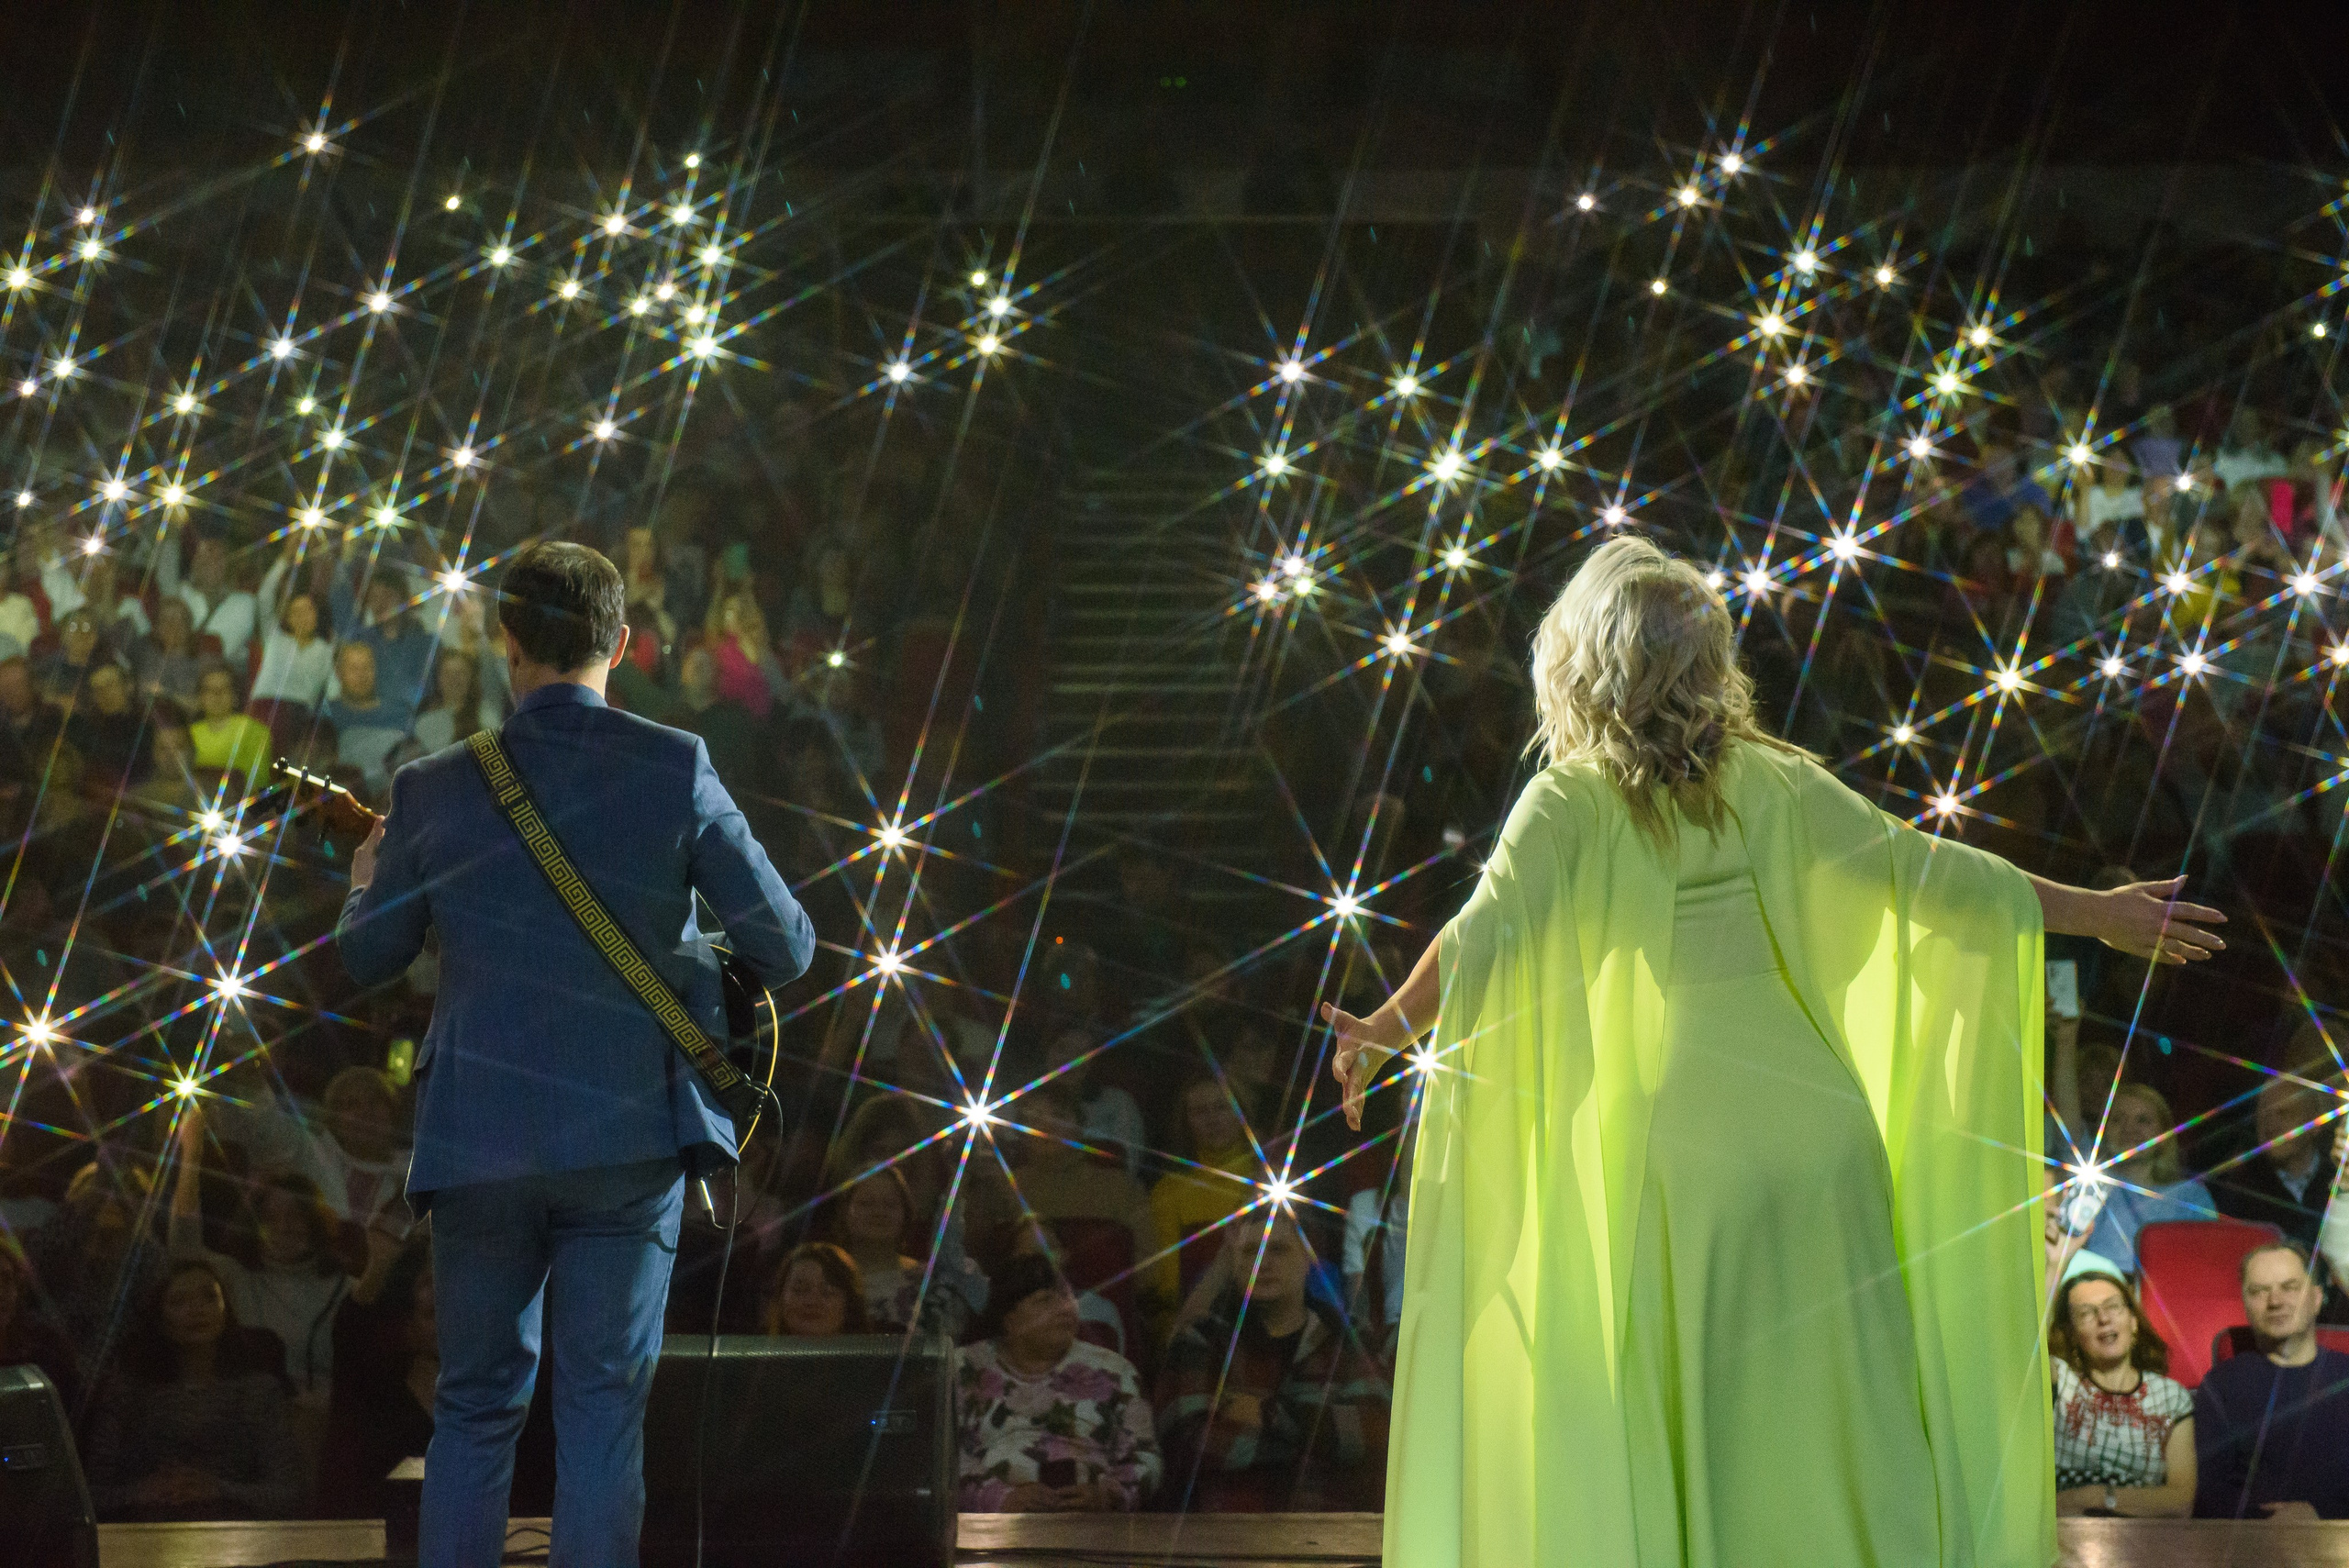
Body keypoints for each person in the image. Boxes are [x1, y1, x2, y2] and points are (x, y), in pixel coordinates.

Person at [1319, 536, 2225, 1567]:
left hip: (1687, 1148)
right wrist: (2093, 912)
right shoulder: (1775, 779)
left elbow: (1481, 936)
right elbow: (1935, 873)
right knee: (1837, 1390)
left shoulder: (1569, 799)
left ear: (1580, 659)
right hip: (1821, 1133)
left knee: (1703, 1400)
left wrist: (1383, 1027)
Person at [337, 539, 815, 1568]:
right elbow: (787, 944)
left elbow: (368, 955)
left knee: (472, 1408)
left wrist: (365, 870)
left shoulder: (432, 784)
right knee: (602, 1409)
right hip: (628, 1130)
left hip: (478, 1137)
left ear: (503, 642)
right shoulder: (676, 762)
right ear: (623, 641)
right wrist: (681, 950)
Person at [1155, 1209, 1390, 1511]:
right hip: (1227, 1538)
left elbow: (1376, 1432)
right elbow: (1186, 1446)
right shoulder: (1201, 1340)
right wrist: (1321, 1439)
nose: (1262, 1263)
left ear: (1308, 1257)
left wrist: (1268, 1414)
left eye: (1277, 1249)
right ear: (1232, 1262)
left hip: (1330, 1537)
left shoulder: (1348, 1337)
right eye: (1250, 1251)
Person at [79, 1258, 305, 1520]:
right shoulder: (128, 1393)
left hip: (234, 1533)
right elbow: (88, 1497)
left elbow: (290, 1492)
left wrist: (218, 1489)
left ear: (225, 1309)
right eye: (179, 1302)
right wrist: (139, 1493)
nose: (196, 1309)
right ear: (159, 1316)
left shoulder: (258, 1392)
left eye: (209, 1297)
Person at [955, 1252, 1161, 1513]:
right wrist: (997, 1499)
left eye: (1067, 1296)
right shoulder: (963, 1369)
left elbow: (1146, 1457)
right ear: (1009, 1319)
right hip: (994, 1527)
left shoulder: (1115, 1371)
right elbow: (940, 1457)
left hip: (1094, 1525)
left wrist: (1109, 1495)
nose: (1064, 1307)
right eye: (1045, 1300)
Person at [2193, 1241, 2349, 1519]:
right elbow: (2210, 1492)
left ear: (2316, 1298)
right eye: (2259, 1291)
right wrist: (2266, 1525)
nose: (2275, 1302)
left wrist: (2322, 1517)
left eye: (2289, 1287)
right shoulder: (2221, 1386)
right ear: (2244, 1303)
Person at [2049, 1262, 2195, 1517]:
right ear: (2072, 1334)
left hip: (2143, 1538)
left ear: (2134, 1321)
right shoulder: (2061, 1381)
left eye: (2113, 1307)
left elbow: (2181, 1501)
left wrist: (2096, 1496)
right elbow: (2025, 1342)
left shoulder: (2171, 1397)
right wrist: (2055, 1262)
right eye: (2086, 1314)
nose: (2103, 1319)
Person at [1145, 1074, 1262, 1340]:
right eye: (1200, 1111)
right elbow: (1168, 1283)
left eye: (1221, 1108)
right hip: (1195, 1329)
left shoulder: (1271, 1177)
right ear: (1186, 1122)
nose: (1212, 1119)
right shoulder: (1169, 1190)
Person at [2076, 1083, 2219, 1276]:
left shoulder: (2192, 1196)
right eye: (2118, 1119)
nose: (2129, 1128)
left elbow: (2209, 1266)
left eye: (2143, 1120)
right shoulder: (2089, 1187)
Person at [159, 533, 260, 666]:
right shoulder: (180, 593)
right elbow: (165, 570)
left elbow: (227, 650)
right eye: (205, 557)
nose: (212, 563)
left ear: (227, 564)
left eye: (218, 558)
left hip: (218, 679)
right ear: (194, 563)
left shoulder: (245, 602)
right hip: (177, 669)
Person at [760, 1241, 871, 1336]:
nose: (812, 1301)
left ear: (850, 1302)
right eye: (800, 1290)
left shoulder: (875, 1358)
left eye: (827, 1293)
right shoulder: (755, 1357)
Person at [188, 666, 273, 782]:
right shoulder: (189, 733)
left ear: (235, 696)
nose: (217, 695)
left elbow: (257, 783)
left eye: (224, 689)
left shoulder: (255, 731)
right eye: (209, 690)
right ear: (200, 697)